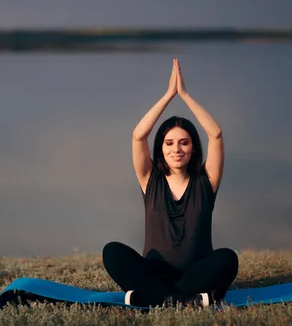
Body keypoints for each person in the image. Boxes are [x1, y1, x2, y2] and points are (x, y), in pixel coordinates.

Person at [102, 58, 239, 308]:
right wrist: (168, 95)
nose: (177, 149)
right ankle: (183, 301)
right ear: (161, 149)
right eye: (169, 143)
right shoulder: (149, 179)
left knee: (228, 259)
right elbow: (138, 135)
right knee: (112, 252)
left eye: (184, 142)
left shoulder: (207, 182)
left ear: (194, 148)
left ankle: (156, 298)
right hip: (154, 274)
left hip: (195, 276)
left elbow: (216, 134)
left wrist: (184, 95)